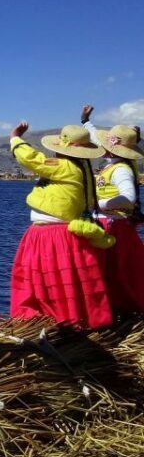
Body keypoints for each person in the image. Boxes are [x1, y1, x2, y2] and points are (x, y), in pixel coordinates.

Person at [9, 121, 114, 329]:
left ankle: (50, 321)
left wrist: (15, 138)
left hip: (51, 236)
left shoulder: (63, 166)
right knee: (67, 279)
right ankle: (75, 318)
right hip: (64, 233)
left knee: (45, 280)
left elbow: (33, 159)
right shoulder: (83, 168)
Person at [81, 104, 144, 313]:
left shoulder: (121, 169)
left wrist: (98, 204)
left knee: (115, 269)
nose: (100, 145)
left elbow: (128, 198)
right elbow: (96, 138)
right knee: (111, 269)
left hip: (114, 226)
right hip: (109, 223)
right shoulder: (113, 163)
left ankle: (116, 308)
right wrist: (86, 122)